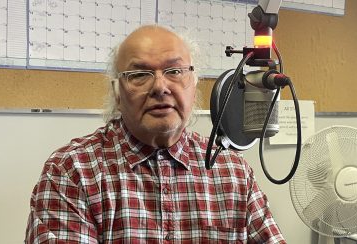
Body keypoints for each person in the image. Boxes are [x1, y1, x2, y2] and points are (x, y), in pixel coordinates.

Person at [25, 24, 286, 243]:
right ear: (117, 93)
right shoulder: (72, 172)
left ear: (194, 86)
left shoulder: (234, 173)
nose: (160, 87)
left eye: (174, 71)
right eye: (140, 74)